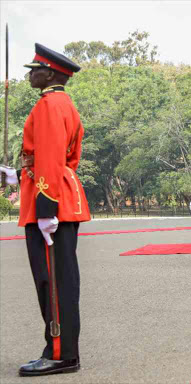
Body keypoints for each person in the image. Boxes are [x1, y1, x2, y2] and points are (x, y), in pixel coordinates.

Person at [0, 43, 91, 376]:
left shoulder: (51, 105)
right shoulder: (57, 103)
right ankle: (62, 350)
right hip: (54, 195)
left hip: (54, 204)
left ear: (50, 73)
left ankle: (60, 353)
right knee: (56, 280)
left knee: (52, 282)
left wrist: (46, 207)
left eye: (33, 69)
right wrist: (16, 174)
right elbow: (50, 158)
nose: (30, 74)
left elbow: (52, 159)